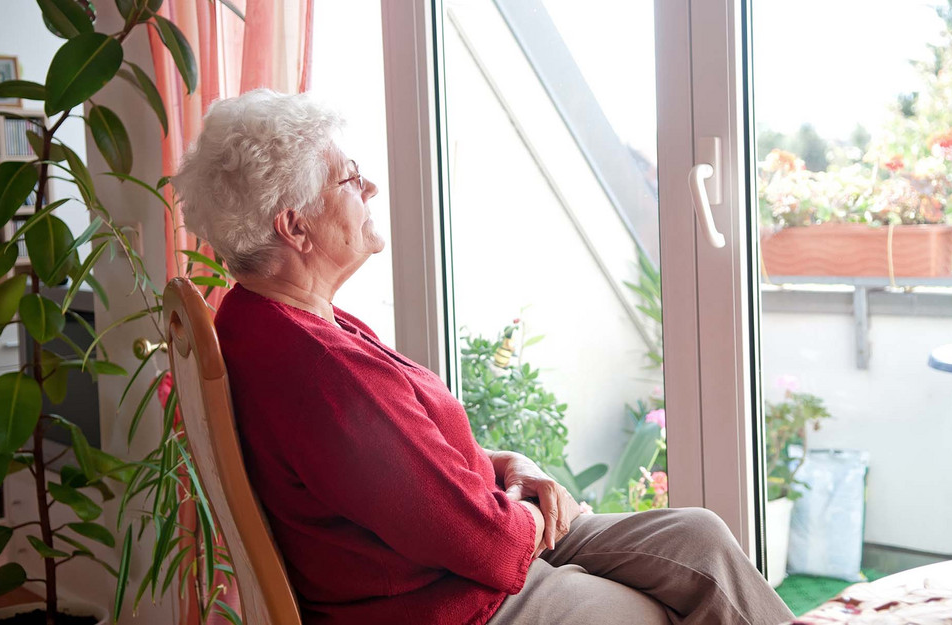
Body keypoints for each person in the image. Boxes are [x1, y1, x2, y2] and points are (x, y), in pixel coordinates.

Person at [174, 89, 794, 625]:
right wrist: (528, 505)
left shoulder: (262, 317)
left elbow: (392, 472)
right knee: (673, 609)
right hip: (453, 600)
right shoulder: (319, 370)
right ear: (295, 226)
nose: (370, 187)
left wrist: (503, 466)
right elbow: (490, 546)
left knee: (700, 536)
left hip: (463, 550)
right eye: (349, 178)